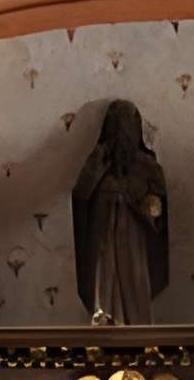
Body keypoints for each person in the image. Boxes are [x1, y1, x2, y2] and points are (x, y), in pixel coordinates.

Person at [72, 100, 169, 324]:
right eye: (117, 126)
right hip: (103, 232)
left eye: (128, 127)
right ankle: (105, 317)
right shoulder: (99, 161)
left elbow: (158, 199)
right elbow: (82, 192)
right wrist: (101, 161)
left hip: (133, 233)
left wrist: (147, 204)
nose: (123, 134)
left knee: (134, 274)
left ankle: (136, 323)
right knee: (105, 275)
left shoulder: (145, 165)